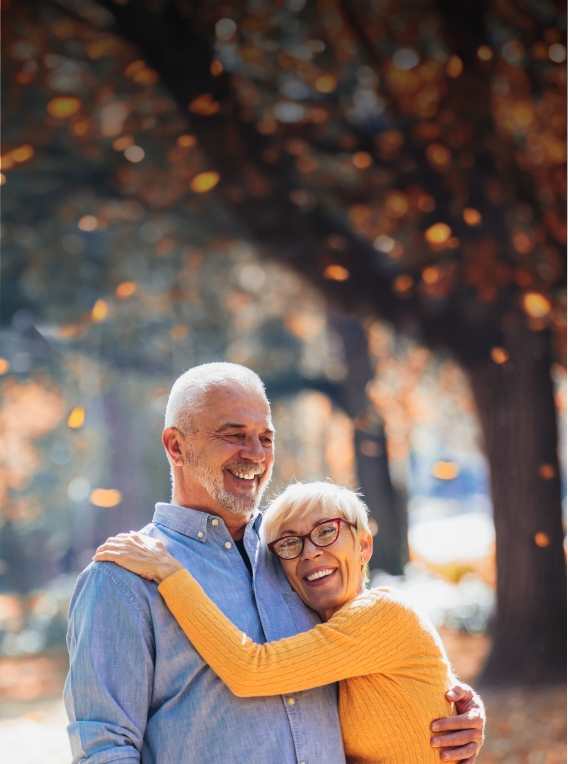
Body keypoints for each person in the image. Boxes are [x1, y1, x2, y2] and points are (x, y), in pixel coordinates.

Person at [65, 362, 485, 764]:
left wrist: (453, 707)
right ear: (176, 445)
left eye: (265, 438)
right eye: (234, 435)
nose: (255, 454)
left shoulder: (298, 557)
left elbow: (373, 662)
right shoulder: (123, 578)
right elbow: (104, 747)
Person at [95, 481, 462, 763]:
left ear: (363, 546)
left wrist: (170, 573)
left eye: (326, 531)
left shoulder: (384, 614)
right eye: (289, 544)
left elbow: (251, 670)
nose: (310, 551)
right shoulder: (324, 634)